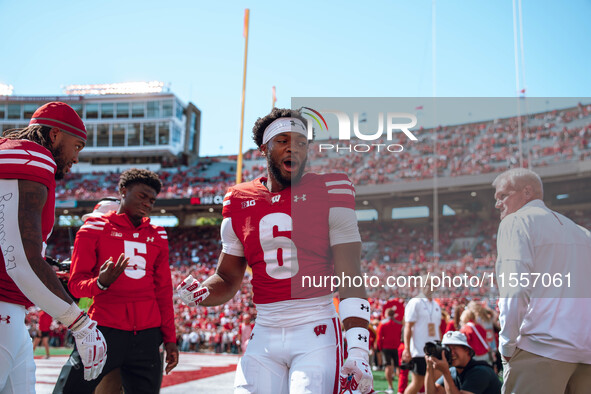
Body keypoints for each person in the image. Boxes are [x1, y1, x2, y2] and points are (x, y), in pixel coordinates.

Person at [177, 108, 373, 393]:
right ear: (264, 148)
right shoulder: (239, 198)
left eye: (301, 142)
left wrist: (358, 350)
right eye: (282, 140)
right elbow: (227, 277)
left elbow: (351, 276)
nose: (293, 147)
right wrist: (204, 291)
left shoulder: (331, 189)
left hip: (316, 327)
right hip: (265, 329)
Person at [0, 102, 107, 393]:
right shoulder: (31, 156)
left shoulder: (16, 152)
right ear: (55, 134)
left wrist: (46, 267)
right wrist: (80, 323)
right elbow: (20, 259)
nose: (76, 157)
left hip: (13, 314)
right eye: (77, 145)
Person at [53, 168, 178, 394]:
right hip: (104, 329)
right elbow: (75, 284)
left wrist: (170, 338)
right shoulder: (93, 228)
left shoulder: (158, 234)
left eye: (152, 200)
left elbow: (163, 291)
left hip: (148, 335)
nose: (148, 203)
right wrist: (100, 283)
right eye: (142, 196)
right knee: (68, 390)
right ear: (123, 191)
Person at [492, 168, 591, 393]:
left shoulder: (516, 222)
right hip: (585, 353)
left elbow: (515, 290)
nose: (498, 204)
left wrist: (507, 344)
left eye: (502, 196)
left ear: (527, 192)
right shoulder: (583, 233)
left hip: (541, 348)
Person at [424, 331, 501, 394]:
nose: (451, 353)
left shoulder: (480, 372)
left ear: (467, 350)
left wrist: (445, 373)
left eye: (454, 348)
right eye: (448, 349)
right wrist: (429, 367)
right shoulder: (453, 371)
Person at [402, 275, 441, 394]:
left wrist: (441, 345)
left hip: (435, 348)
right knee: (418, 382)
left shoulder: (436, 305)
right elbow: (408, 326)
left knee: (437, 379)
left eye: (432, 284)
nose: (429, 287)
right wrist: (407, 348)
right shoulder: (415, 302)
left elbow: (437, 328)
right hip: (419, 350)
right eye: (427, 284)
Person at [377, 308, 403, 394]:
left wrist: (380, 348)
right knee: (398, 366)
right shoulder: (399, 324)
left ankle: (390, 387)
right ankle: (400, 388)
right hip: (397, 347)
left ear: (386, 314)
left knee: (388, 366)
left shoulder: (382, 323)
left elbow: (379, 337)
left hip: (386, 347)